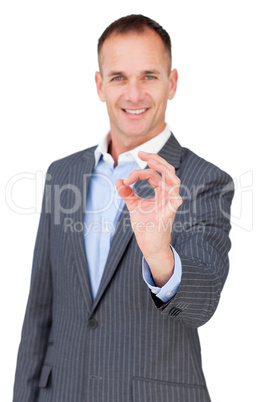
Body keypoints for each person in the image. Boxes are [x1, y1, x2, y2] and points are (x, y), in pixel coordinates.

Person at [13, 14, 234, 402]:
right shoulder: (62, 174)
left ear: (172, 82)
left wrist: (159, 254)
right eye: (119, 77)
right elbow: (40, 312)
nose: (134, 94)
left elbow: (202, 303)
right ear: (100, 85)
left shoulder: (204, 180)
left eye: (149, 76)